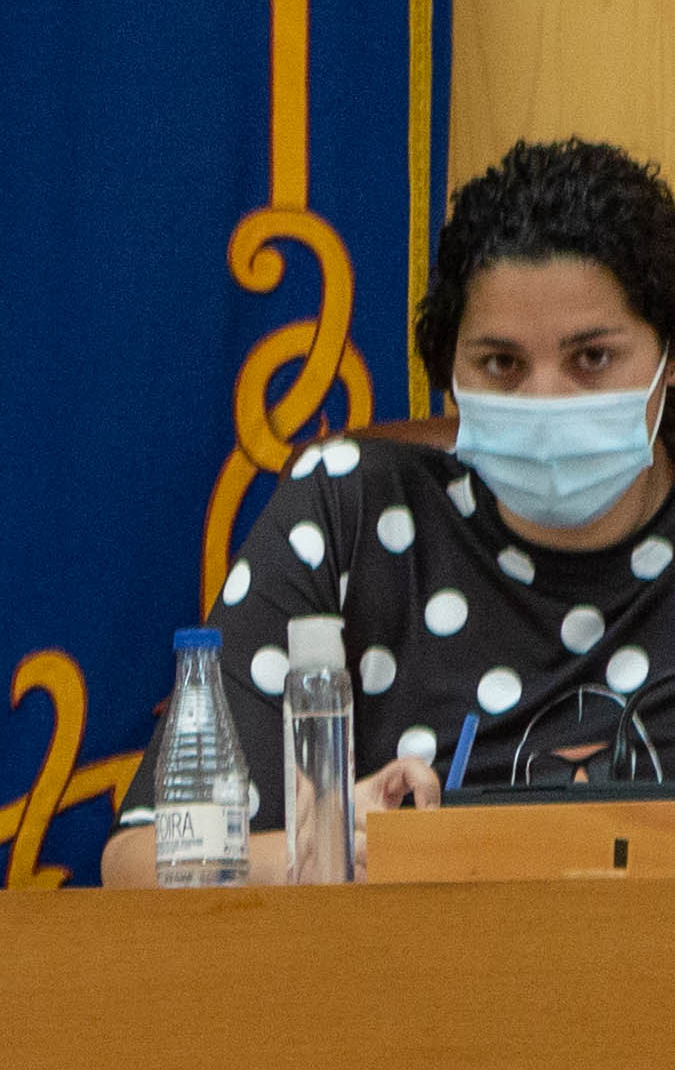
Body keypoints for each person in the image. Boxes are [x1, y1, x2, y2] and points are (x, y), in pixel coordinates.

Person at [120, 137, 675, 881]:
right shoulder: (351, 507)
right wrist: (332, 847)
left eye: (591, 358)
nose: (543, 401)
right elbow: (135, 862)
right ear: (449, 372)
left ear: (667, 358)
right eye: (501, 364)